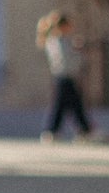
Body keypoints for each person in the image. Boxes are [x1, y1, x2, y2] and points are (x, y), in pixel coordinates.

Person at [36, 10, 93, 141]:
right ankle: (53, 130)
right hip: (63, 77)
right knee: (62, 105)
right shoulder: (57, 42)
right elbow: (67, 61)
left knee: (74, 104)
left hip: (67, 77)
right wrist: (78, 53)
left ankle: (83, 129)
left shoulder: (61, 41)